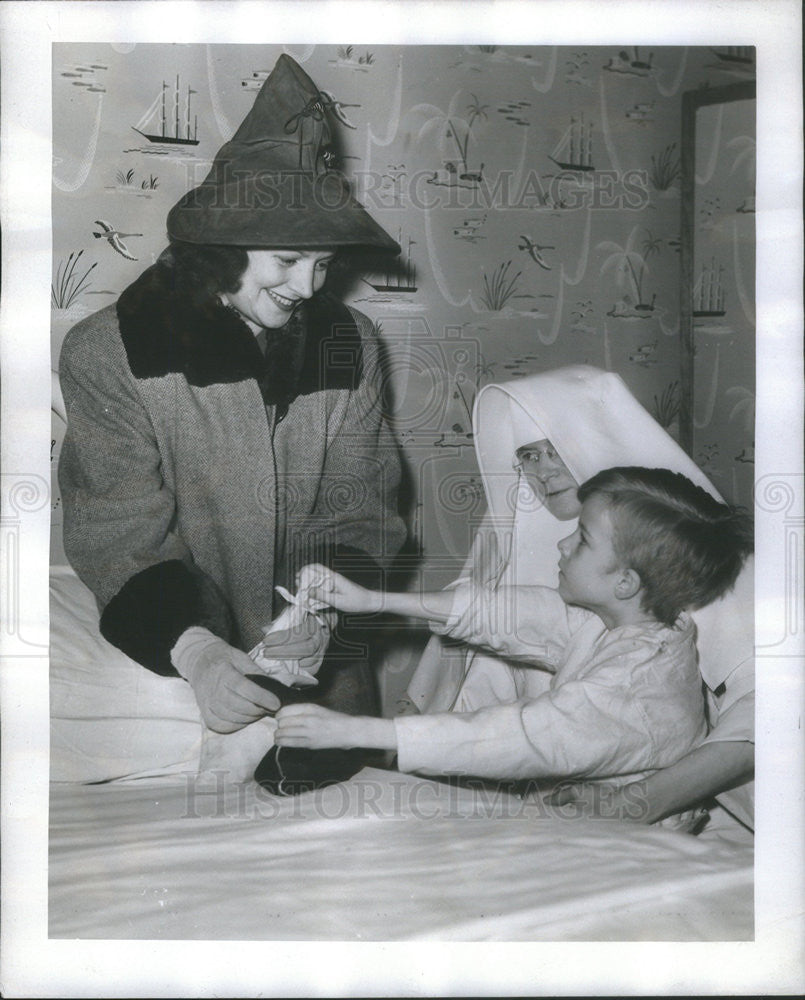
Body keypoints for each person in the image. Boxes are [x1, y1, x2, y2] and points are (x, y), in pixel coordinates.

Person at [58, 54, 406, 742]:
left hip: (323, 672)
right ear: (220, 249)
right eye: (286, 261)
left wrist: (319, 611)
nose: (308, 286)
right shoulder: (109, 351)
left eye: (323, 264)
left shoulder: (350, 343)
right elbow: (118, 535)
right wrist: (199, 653)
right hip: (175, 662)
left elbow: (360, 502)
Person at [403, 367, 755, 830]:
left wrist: (638, 801)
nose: (543, 473)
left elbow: (764, 716)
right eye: (528, 456)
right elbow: (479, 682)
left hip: (683, 802)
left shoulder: (687, 550)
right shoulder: (519, 540)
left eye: (557, 450)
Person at [274, 466, 752, 787]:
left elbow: (520, 737)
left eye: (582, 540)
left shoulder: (638, 683)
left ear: (625, 582)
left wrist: (358, 731)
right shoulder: (633, 626)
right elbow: (508, 614)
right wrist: (371, 599)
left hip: (631, 849)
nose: (563, 545)